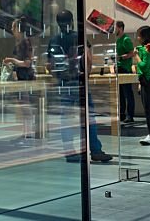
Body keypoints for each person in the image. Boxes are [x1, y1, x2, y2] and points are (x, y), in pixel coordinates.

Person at [47, 9, 112, 163]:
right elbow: (88, 58)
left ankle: (70, 152)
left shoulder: (54, 40)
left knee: (65, 119)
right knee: (89, 117)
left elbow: (50, 65)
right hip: (80, 81)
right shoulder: (79, 37)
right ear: (72, 21)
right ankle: (95, 150)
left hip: (64, 84)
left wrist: (58, 77)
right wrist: (86, 76)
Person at [3, 19, 35, 141]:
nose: (12, 30)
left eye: (14, 27)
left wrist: (11, 60)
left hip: (26, 78)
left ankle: (28, 131)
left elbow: (27, 63)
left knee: (26, 105)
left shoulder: (25, 43)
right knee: (23, 106)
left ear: (19, 29)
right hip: (21, 78)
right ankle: (26, 131)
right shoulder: (19, 43)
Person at [133, 25, 150, 148]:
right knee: (147, 109)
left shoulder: (146, 50)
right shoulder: (144, 49)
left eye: (139, 35)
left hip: (149, 81)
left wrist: (136, 56)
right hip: (144, 81)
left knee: (149, 109)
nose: (137, 38)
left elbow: (143, 66)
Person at [115, 20, 136, 125]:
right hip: (119, 68)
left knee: (128, 93)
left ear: (120, 28)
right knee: (120, 94)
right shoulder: (118, 40)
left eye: (116, 28)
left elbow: (132, 53)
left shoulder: (126, 39)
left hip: (126, 68)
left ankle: (130, 115)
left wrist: (122, 57)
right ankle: (122, 114)